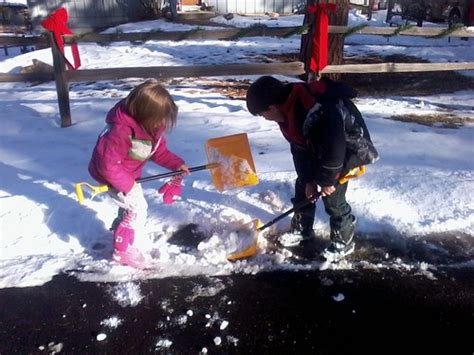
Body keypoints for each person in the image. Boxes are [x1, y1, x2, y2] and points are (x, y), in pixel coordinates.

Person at [246, 76, 378, 262]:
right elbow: (299, 148)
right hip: (322, 148)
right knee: (302, 185)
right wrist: (308, 179)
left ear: (272, 107)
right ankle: (302, 229)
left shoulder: (315, 109)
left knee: (333, 198)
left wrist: (326, 180)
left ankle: (344, 241)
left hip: (350, 148)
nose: (265, 119)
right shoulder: (287, 113)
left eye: (262, 114)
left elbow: (335, 148)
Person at [88, 81, 189, 268]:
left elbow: (157, 152)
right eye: (159, 119)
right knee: (137, 210)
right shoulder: (120, 132)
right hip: (113, 176)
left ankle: (120, 230)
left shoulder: (150, 128)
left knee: (129, 207)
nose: (161, 124)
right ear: (146, 115)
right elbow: (107, 165)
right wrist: (127, 185)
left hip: (127, 174)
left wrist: (177, 164)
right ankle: (122, 252)